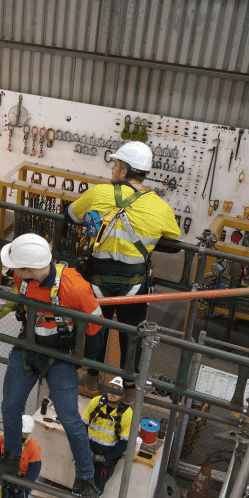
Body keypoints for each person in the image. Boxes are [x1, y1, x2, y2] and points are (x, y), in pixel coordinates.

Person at [0, 233, 104, 498]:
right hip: (28, 348)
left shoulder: (76, 288)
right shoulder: (23, 279)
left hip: (60, 357)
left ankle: (87, 481)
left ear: (31, 269)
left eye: (16, 268)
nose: (12, 273)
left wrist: (87, 366)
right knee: (10, 405)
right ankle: (11, 458)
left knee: (71, 420)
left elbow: (96, 329)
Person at [67, 141, 180, 394]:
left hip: (97, 278)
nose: (113, 169)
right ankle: (130, 384)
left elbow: (70, 215)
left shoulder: (99, 194)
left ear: (124, 172)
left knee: (97, 326)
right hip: (135, 283)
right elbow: (174, 242)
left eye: (116, 165)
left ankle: (93, 374)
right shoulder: (159, 207)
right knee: (132, 332)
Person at [62, 376, 133, 498]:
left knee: (96, 487)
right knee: (79, 483)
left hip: (106, 461)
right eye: (110, 388)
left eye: (117, 391)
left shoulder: (127, 414)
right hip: (87, 453)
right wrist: (83, 452)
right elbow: (82, 427)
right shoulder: (95, 402)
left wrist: (105, 459)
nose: (112, 394)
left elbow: (124, 443)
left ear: (123, 395)